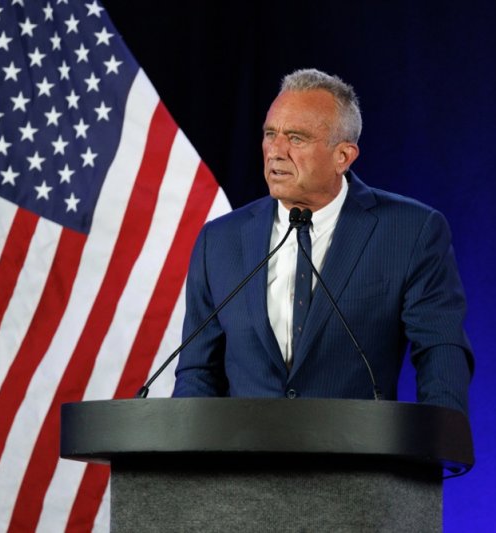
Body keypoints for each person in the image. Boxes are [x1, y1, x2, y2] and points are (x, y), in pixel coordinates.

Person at [172, 68, 473, 415]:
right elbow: (198, 370)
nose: (276, 150)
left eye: (296, 138)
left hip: (357, 460)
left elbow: (441, 349)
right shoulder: (219, 241)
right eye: (271, 133)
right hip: (245, 464)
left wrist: (438, 442)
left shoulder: (410, 231)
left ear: (343, 156)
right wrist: (185, 460)